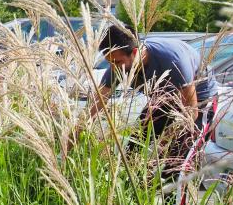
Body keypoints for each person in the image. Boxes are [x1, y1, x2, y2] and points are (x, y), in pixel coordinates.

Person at [90, 25, 218, 141]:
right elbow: (96, 106)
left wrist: (165, 143)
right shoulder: (117, 65)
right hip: (165, 97)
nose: (113, 68)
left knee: (180, 153)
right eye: (109, 62)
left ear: (135, 52)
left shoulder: (173, 61)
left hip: (200, 99)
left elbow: (191, 113)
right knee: (136, 145)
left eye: (116, 62)